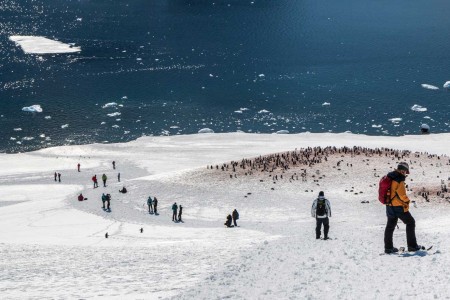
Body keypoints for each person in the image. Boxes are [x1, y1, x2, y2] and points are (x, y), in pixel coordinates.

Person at [384, 162, 422, 253]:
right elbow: (401, 195)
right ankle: (412, 246)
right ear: (402, 170)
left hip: (389, 205)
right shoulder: (399, 180)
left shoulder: (390, 177)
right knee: (411, 222)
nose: (405, 173)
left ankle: (388, 248)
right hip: (398, 206)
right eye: (405, 171)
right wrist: (407, 201)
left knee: (390, 226)